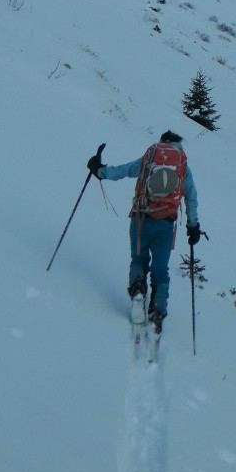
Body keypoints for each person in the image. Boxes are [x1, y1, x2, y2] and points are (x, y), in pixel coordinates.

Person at [88, 131, 202, 331]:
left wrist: (99, 171)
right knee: (161, 270)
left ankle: (138, 291)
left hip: (141, 219)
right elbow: (191, 196)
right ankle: (157, 310)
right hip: (166, 224)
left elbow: (123, 171)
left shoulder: (150, 157)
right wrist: (193, 226)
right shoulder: (183, 166)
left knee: (139, 261)